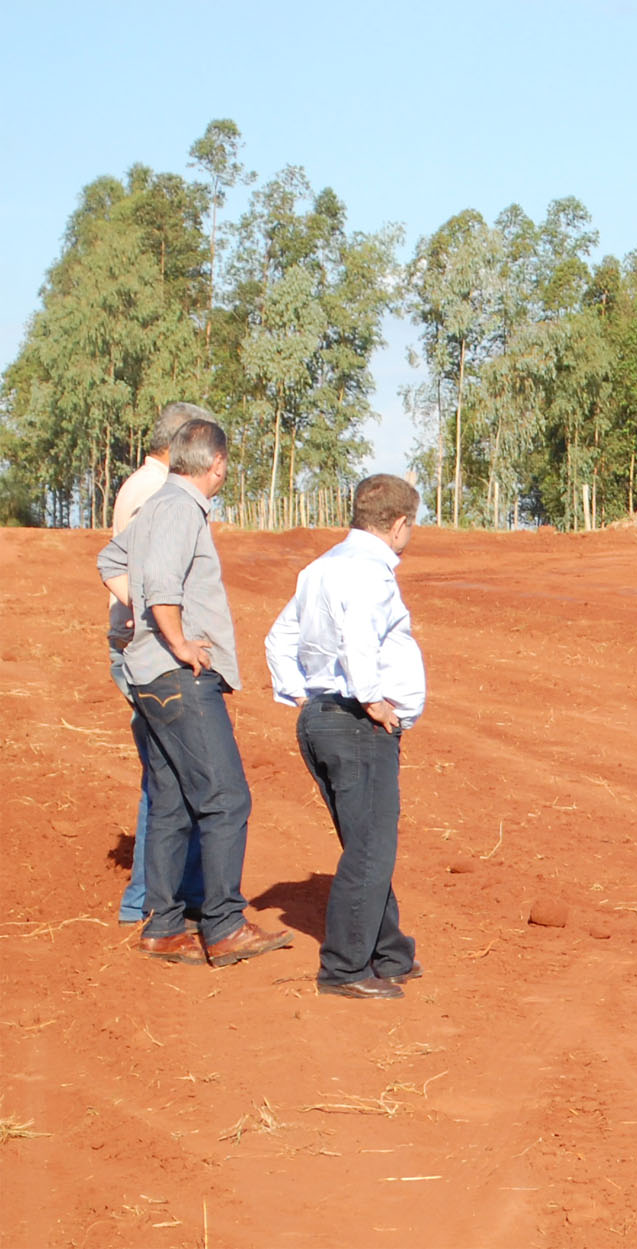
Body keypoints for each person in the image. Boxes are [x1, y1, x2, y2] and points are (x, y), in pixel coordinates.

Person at [97, 419, 293, 968]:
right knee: (227, 798)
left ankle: (163, 926)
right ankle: (225, 925)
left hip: (148, 675)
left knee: (171, 802)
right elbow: (160, 584)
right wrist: (178, 640)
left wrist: (137, 617)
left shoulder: (157, 504)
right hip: (179, 677)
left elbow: (111, 561)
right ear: (218, 465)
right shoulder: (182, 509)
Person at [265, 475, 426, 1001]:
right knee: (371, 848)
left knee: (365, 843)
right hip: (357, 723)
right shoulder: (368, 573)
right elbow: (360, 637)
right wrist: (372, 698)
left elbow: (279, 637)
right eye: (412, 525)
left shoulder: (320, 568)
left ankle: (390, 953)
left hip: (324, 717)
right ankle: (344, 968)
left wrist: (300, 695)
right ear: (399, 525)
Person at [107, 403, 212, 925]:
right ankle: (159, 899)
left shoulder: (137, 486)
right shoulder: (160, 494)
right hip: (158, 653)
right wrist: (154, 626)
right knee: (174, 779)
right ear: (181, 444)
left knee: (166, 775)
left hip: (141, 645)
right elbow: (143, 575)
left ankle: (153, 898)